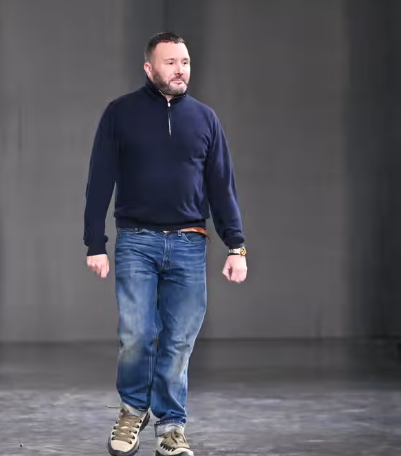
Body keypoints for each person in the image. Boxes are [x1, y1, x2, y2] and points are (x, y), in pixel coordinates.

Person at [83, 32, 248, 456]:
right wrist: (95, 243)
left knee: (178, 341)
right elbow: (100, 179)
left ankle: (171, 426)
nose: (180, 70)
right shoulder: (120, 113)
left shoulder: (205, 119)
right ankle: (132, 412)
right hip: (136, 241)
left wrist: (236, 246)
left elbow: (222, 186)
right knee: (137, 334)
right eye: (170, 62)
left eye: (185, 62)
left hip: (190, 244)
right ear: (149, 68)